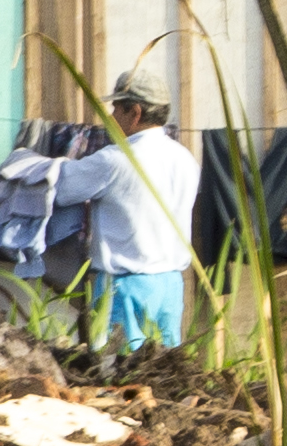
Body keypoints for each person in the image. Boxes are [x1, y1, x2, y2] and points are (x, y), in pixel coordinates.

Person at [83, 77, 202, 354]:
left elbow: (62, 186)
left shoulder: (114, 159)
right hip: (171, 285)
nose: (110, 117)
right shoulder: (185, 159)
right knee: (164, 372)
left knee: (115, 374)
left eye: (116, 109)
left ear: (135, 113)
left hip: (125, 286)